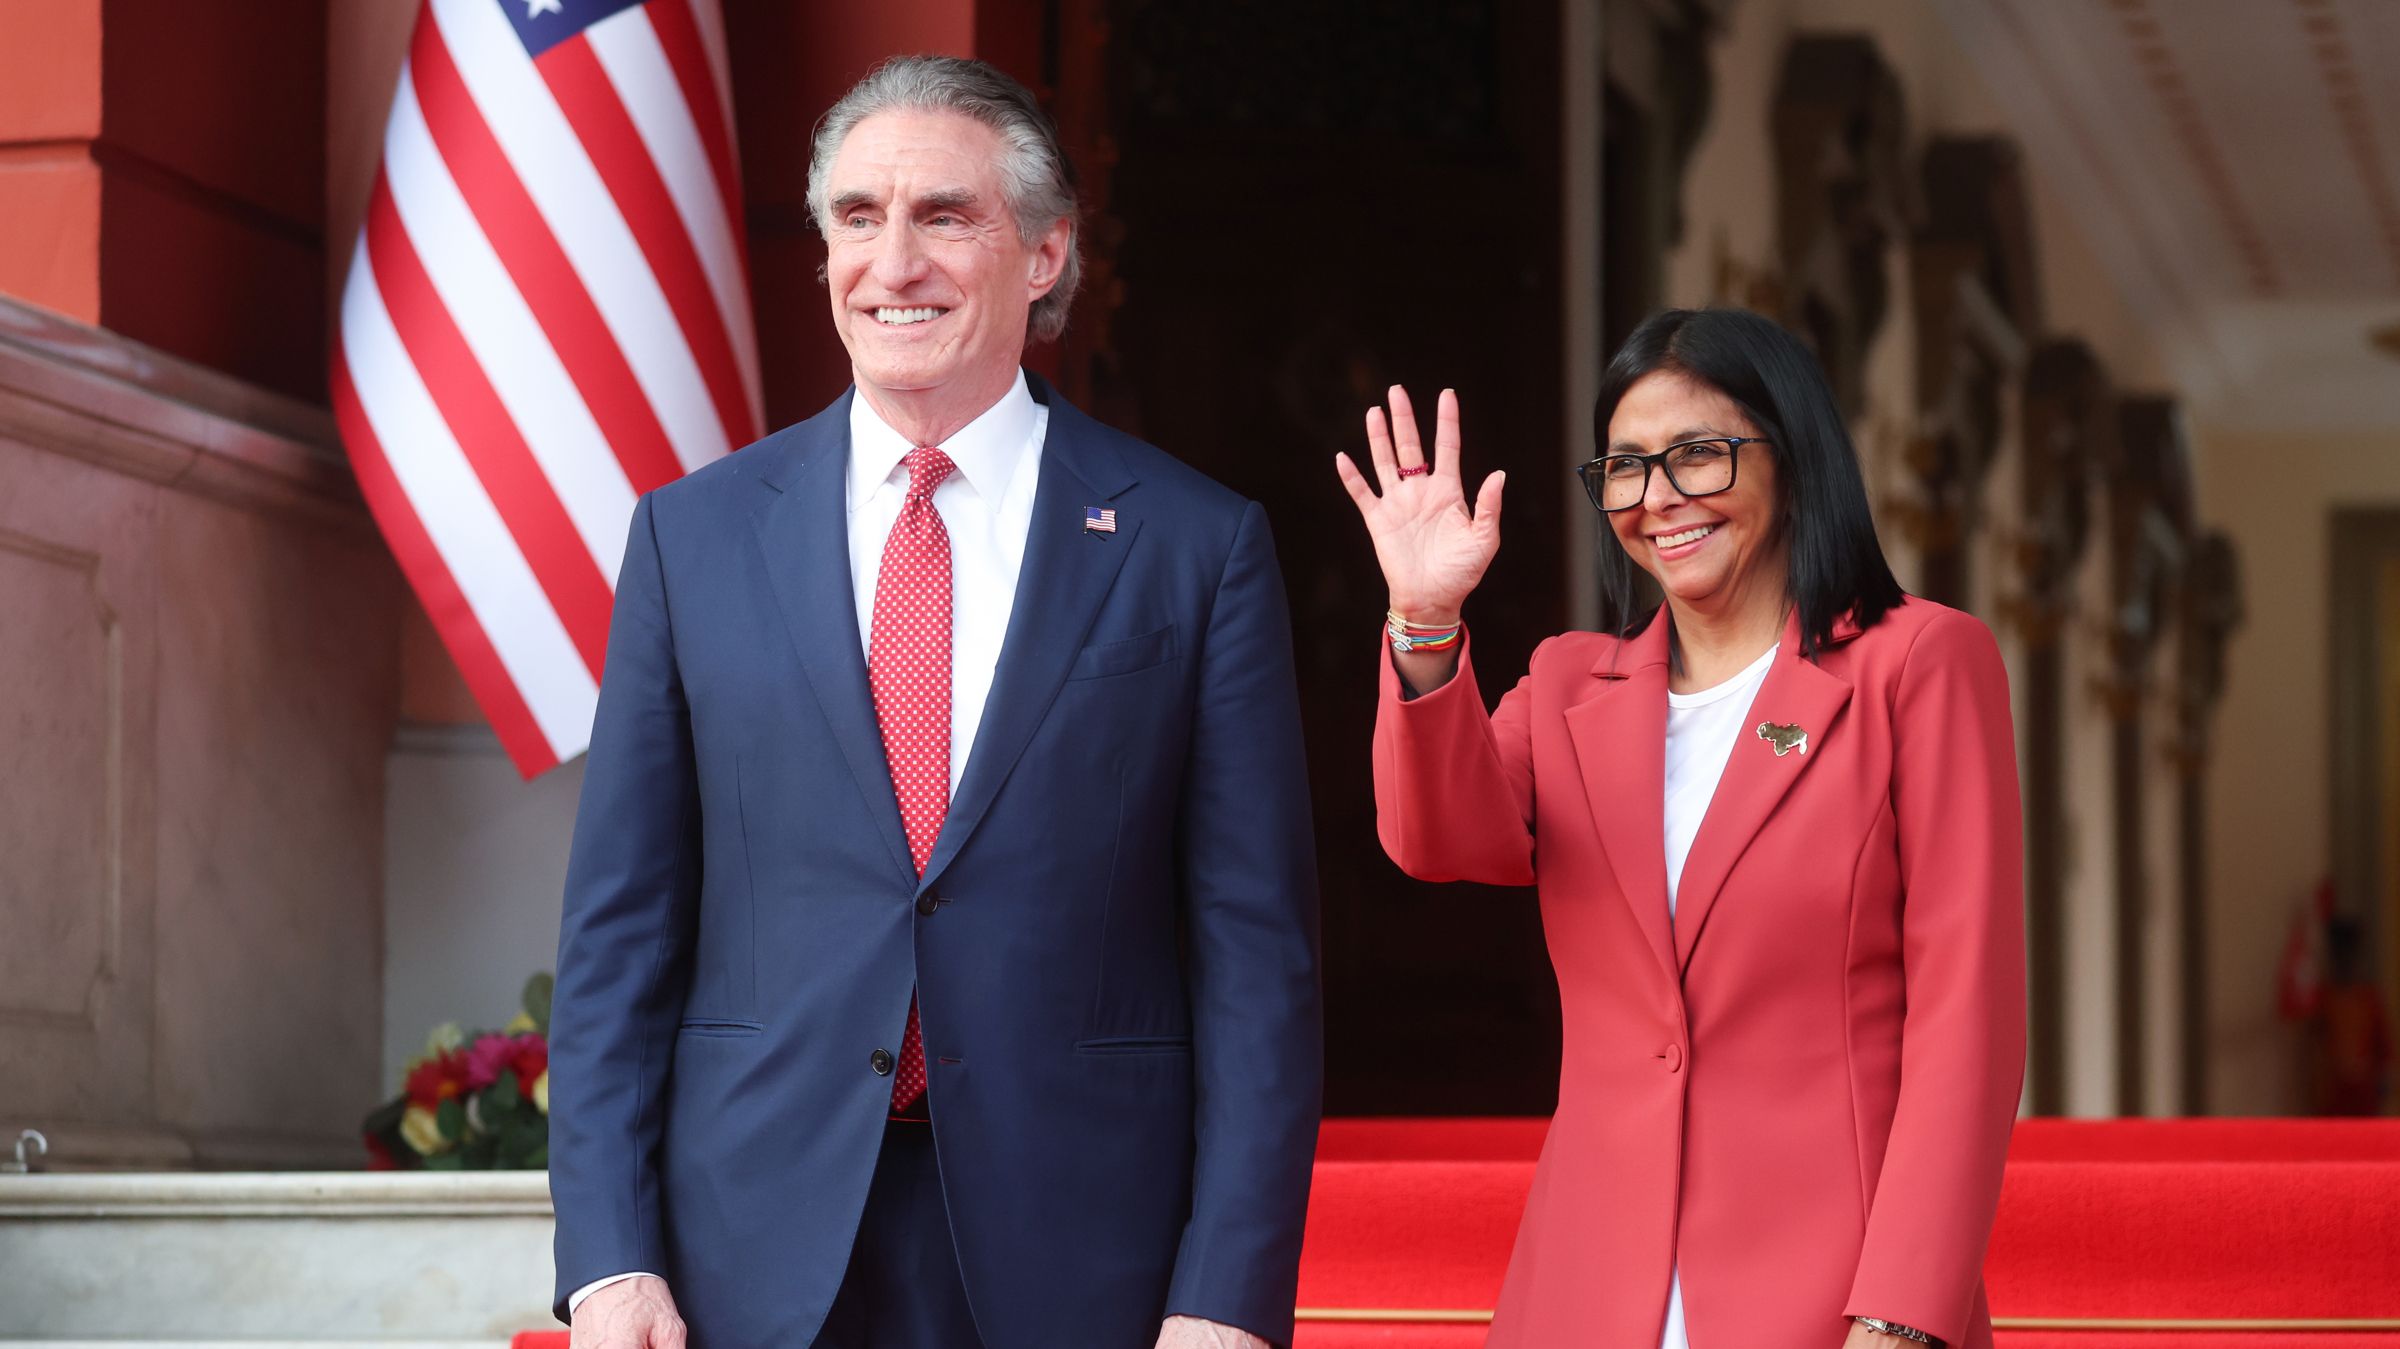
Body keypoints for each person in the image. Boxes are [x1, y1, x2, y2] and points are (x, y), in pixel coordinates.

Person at [549, 55, 1321, 1349]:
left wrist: (1225, 1296)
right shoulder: (696, 538)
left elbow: (1258, 967)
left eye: (944, 216)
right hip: (750, 1254)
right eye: (857, 218)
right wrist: (612, 1259)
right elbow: (618, 939)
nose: (891, 262)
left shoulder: (1197, 545)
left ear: (1043, 253)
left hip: (1085, 1259)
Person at [1336, 307, 2025, 1348]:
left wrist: (1901, 1309)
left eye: (1697, 454)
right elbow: (1434, 835)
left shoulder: (1918, 663)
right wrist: (1424, 621)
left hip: (1831, 1288)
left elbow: (1967, 1014)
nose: (1657, 498)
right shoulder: (1573, 682)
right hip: (1587, 1289)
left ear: (1791, 457)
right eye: (1624, 466)